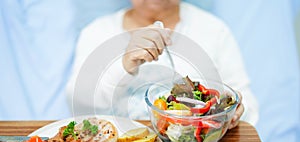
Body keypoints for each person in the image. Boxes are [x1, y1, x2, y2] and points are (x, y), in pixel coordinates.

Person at [67, 0, 259, 129]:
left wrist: (235, 112)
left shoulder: (214, 30)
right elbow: (77, 100)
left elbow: (249, 107)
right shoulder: (97, 32)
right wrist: (123, 66)